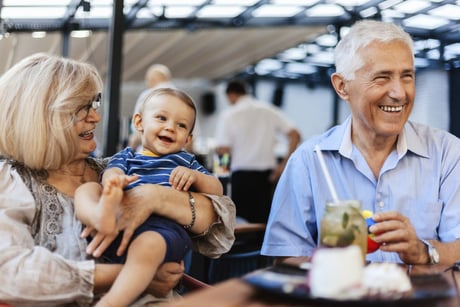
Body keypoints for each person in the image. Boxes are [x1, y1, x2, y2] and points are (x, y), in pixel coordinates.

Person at [0, 53, 236, 306]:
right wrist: (136, 275)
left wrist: (155, 197)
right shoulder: (11, 180)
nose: (95, 117)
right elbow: (9, 273)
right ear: (40, 117)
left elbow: (217, 224)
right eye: (82, 107)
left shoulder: (111, 170)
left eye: (94, 104)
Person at [261, 20, 460, 266]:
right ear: (342, 86)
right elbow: (285, 255)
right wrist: (335, 269)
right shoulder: (309, 160)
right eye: (382, 77)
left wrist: (423, 253)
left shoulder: (448, 153)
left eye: (406, 76)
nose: (399, 92)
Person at [75, 88, 223, 307]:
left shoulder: (185, 161)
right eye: (161, 118)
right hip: (116, 221)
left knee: (148, 246)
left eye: (181, 125)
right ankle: (98, 215)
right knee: (87, 189)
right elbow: (111, 172)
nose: (170, 127)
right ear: (139, 122)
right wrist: (114, 183)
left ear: (188, 138)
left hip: (163, 229)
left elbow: (217, 189)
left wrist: (195, 177)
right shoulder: (127, 156)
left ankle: (111, 303)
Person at [214, 79, 301, 223]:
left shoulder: (229, 114)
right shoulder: (268, 110)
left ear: (230, 95)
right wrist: (283, 166)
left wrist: (220, 181)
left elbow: (223, 150)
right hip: (265, 179)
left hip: (239, 179)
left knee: (238, 226)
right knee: (262, 226)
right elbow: (295, 135)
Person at [128, 64, 176, 151]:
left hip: (150, 152)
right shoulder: (184, 98)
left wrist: (130, 150)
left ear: (152, 79)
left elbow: (138, 127)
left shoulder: (147, 95)